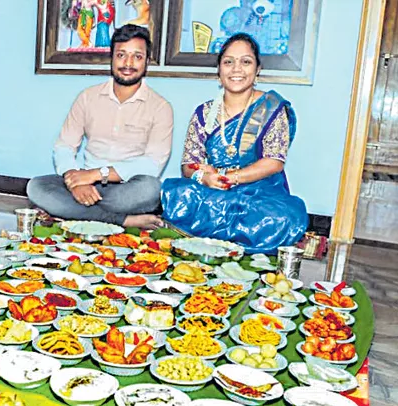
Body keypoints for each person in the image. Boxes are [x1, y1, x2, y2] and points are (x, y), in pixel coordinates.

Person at [160, 33, 308, 253]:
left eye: (246, 62)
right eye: (228, 62)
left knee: (284, 217)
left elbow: (274, 162)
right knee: (178, 193)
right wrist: (205, 177)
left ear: (257, 69)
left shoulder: (272, 108)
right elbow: (189, 164)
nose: (236, 69)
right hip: (216, 188)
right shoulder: (205, 112)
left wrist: (233, 177)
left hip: (261, 192)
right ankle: (229, 238)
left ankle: (209, 235)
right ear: (219, 71)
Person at [27, 24, 173, 230]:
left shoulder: (160, 107)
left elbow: (152, 164)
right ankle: (123, 220)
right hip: (86, 184)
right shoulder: (88, 97)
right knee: (36, 187)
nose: (128, 63)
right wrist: (75, 181)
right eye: (121, 55)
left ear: (147, 62)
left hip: (127, 189)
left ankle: (74, 213)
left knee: (150, 190)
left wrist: (97, 174)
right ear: (111, 58)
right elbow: (64, 147)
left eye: (137, 57)